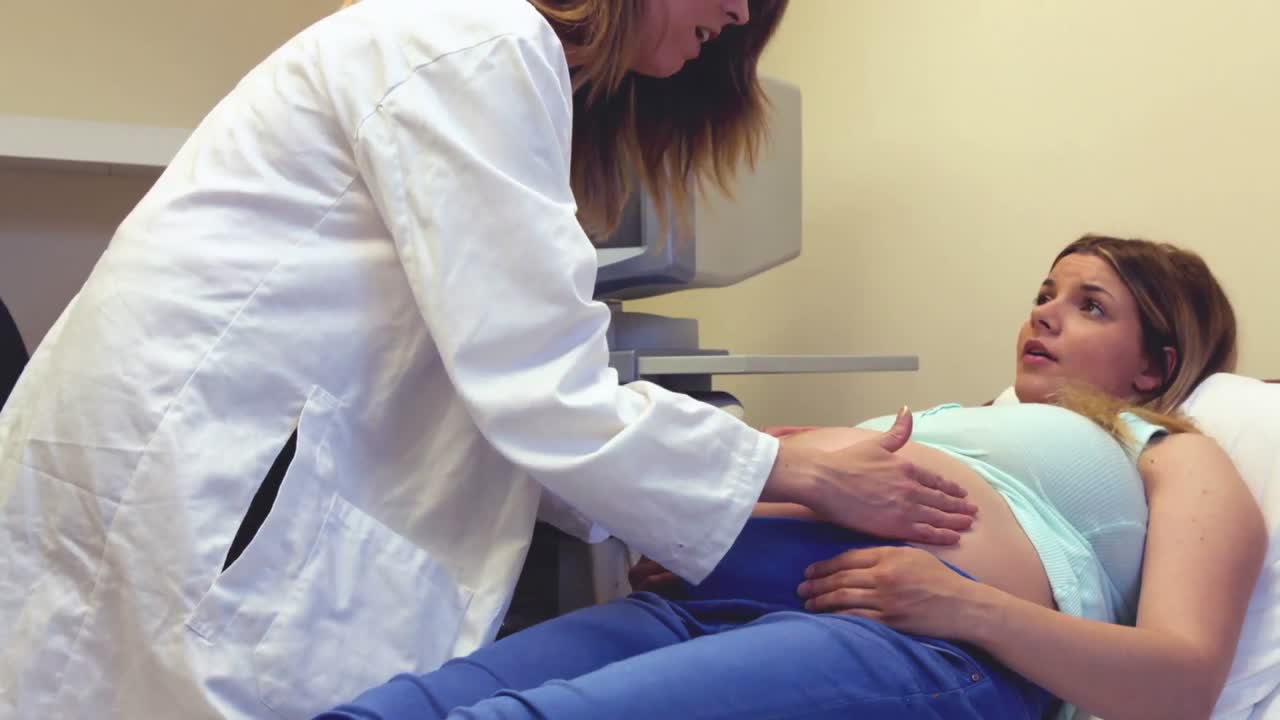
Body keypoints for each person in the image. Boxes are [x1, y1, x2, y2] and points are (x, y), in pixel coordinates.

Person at [0, 1, 984, 719]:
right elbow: (541, 391)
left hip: (213, 468)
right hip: (211, 484)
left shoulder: (480, 50)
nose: (738, 15)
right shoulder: (479, 42)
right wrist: (790, 470)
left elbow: (507, 395)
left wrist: (702, 493)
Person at [316, 235, 1266, 720]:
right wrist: (713, 521)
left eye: (1089, 305)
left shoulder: (1169, 450)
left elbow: (1183, 684)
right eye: (1043, 294)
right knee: (412, 706)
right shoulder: (961, 417)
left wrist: (963, 606)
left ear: (1157, 363)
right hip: (700, 603)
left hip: (909, 642)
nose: (1045, 314)